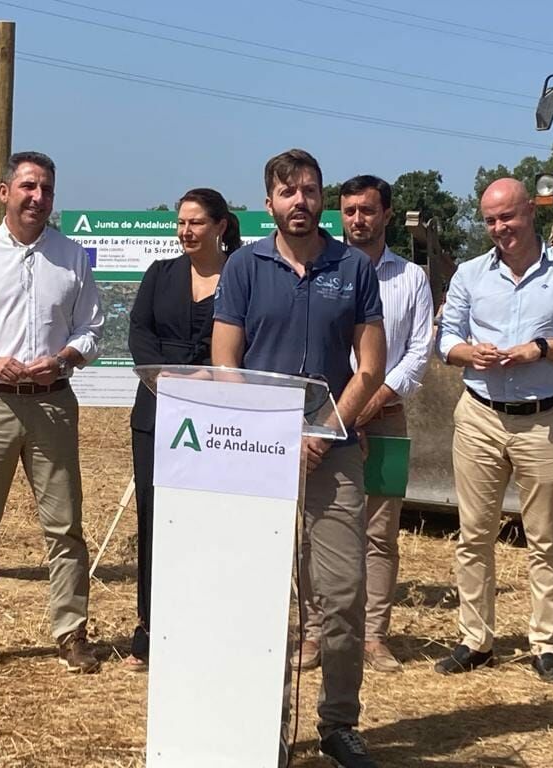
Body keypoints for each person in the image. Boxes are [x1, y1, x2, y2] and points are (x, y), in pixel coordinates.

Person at [213, 149, 386, 768]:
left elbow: (371, 367)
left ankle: (338, 723)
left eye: (311, 191)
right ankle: (258, 719)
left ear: (322, 198)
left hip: (333, 455)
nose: (300, 202)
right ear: (269, 204)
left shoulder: (353, 268)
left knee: (341, 594)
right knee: (257, 591)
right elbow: (224, 360)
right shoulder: (243, 266)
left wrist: (321, 428)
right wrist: (271, 433)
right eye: (288, 193)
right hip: (256, 450)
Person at [434, 177, 553, 685]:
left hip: (543, 421)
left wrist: (542, 347)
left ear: (530, 212)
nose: (499, 228)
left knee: (546, 538)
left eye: (508, 217)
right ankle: (475, 639)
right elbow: (447, 339)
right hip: (480, 416)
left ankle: (546, 645)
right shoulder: (470, 274)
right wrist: (471, 353)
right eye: (490, 220)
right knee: (473, 535)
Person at [0, 151, 104, 673]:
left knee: (65, 526)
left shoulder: (72, 257)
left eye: (47, 190)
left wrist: (61, 359)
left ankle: (71, 632)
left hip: (51, 404)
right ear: (5, 192)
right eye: (28, 186)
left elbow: (93, 331)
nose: (38, 198)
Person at [295, 175, 433, 674]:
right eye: (349, 210)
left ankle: (374, 637)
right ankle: (314, 635)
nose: (358, 219)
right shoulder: (325, 268)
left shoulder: (411, 278)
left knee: (379, 532)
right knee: (314, 526)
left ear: (387, 215)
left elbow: (420, 351)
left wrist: (375, 399)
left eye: (368, 210)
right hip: (324, 421)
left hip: (387, 418)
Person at [125, 188, 242, 671]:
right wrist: (166, 375)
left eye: (195, 222)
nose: (185, 231)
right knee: (155, 519)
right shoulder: (161, 274)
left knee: (207, 520)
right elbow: (138, 331)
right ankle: (150, 627)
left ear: (219, 226)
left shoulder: (240, 276)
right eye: (180, 223)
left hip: (216, 418)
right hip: (157, 414)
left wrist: (209, 377)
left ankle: (202, 622)